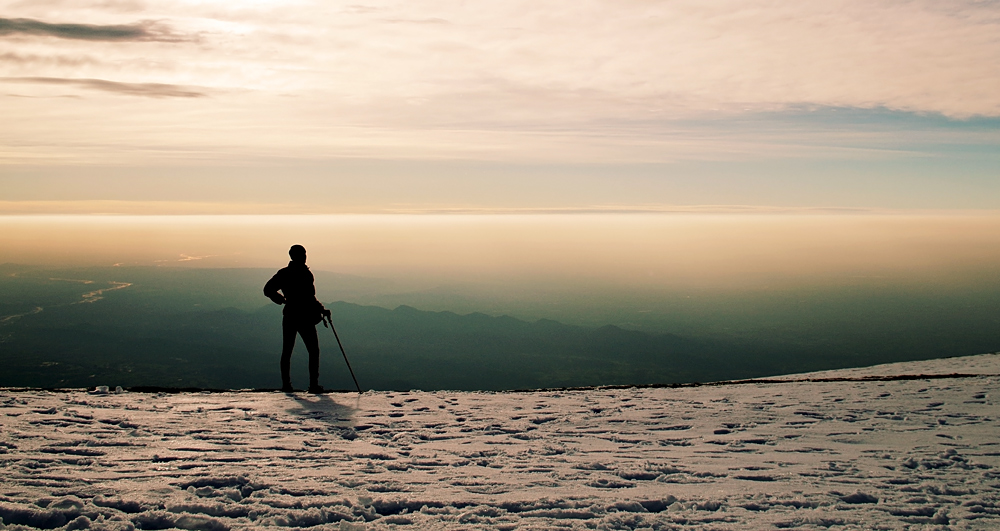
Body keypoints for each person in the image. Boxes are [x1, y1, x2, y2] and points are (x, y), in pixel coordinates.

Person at [263, 244, 331, 393]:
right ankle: (312, 385)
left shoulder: (285, 273)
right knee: (312, 351)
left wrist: (282, 300)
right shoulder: (305, 274)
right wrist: (320, 309)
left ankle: (287, 385)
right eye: (302, 254)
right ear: (295, 256)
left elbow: (268, 289)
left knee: (288, 351)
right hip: (305, 317)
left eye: (304, 254)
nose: (304, 257)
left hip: (291, 315)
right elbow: (310, 297)